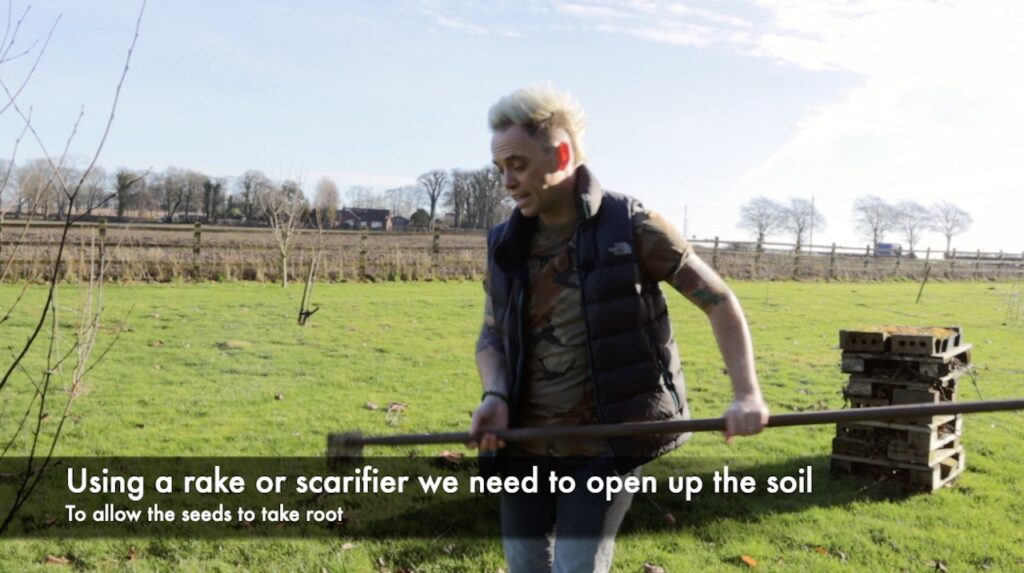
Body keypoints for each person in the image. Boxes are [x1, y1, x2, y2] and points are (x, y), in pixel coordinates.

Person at [469, 85, 769, 573]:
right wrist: (495, 395)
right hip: (522, 448)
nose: (506, 181)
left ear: (561, 155)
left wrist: (747, 394)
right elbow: (491, 335)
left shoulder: (632, 227)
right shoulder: (504, 243)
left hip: (604, 447)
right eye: (499, 169)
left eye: (518, 164)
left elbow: (718, 300)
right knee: (525, 566)